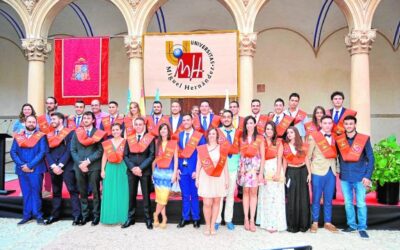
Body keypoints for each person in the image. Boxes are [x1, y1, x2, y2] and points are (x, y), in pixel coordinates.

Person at [336, 115, 374, 239]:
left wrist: (368, 176)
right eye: (346, 124)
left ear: (355, 125)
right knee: (348, 203)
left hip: (360, 177)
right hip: (345, 177)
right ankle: (352, 225)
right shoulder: (340, 140)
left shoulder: (363, 139)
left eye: (351, 124)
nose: (348, 126)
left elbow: (371, 158)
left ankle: (362, 227)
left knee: (361, 203)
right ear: (344, 125)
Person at [44, 112, 81, 226]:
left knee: (72, 191)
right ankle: (55, 215)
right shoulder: (49, 134)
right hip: (53, 167)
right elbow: (46, 151)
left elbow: (69, 150)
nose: (52, 121)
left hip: (67, 166)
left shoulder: (70, 133)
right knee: (56, 192)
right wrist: (53, 165)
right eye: (51, 119)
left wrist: (60, 165)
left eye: (54, 119)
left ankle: (77, 216)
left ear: (61, 120)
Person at [10, 115, 47, 225]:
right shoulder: (18, 137)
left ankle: (38, 215)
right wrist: (22, 165)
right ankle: (27, 215)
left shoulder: (41, 136)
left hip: (36, 169)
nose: (31, 124)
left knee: (36, 192)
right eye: (29, 122)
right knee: (26, 193)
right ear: (25, 123)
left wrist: (30, 165)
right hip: (22, 170)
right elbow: (13, 152)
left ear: (36, 124)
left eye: (33, 122)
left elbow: (42, 152)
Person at [70, 111, 105, 226]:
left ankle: (96, 216)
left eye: (88, 118)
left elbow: (100, 151)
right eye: (84, 118)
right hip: (79, 166)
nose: (85, 120)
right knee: (83, 192)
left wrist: (88, 161)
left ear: (93, 120)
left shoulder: (98, 133)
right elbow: (73, 150)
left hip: (94, 166)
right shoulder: (77, 132)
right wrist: (80, 164)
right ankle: (85, 216)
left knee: (95, 192)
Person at [123, 117, 155, 229]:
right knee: (131, 195)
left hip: (144, 171)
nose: (138, 126)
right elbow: (125, 155)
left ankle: (148, 219)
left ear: (144, 125)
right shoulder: (129, 138)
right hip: (131, 171)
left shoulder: (149, 138)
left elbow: (151, 155)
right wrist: (133, 168)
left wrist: (140, 168)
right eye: (136, 124)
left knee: (146, 196)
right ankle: (130, 218)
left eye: (140, 124)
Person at [307, 116, 338, 233]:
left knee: (329, 198)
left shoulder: (335, 137)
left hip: (331, 171)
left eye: (330, 123)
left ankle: (327, 222)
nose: (327, 125)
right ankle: (314, 222)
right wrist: (309, 172)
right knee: (316, 197)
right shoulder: (314, 136)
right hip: (317, 171)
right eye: (325, 123)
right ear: (321, 123)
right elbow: (308, 156)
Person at [196, 127, 229, 235]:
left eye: (214, 134)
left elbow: (225, 166)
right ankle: (207, 225)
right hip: (205, 178)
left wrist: (227, 179)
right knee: (207, 203)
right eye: (210, 134)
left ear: (217, 136)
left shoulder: (222, 148)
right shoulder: (202, 149)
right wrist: (197, 178)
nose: (211, 135)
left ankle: (212, 226)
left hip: (219, 177)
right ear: (207, 136)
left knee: (216, 202)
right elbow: (199, 164)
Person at [256, 121, 287, 232]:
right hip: (266, 169)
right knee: (267, 197)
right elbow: (263, 158)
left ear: (274, 131)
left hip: (277, 168)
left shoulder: (279, 142)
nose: (269, 131)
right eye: (267, 129)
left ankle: (277, 223)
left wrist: (278, 172)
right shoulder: (262, 142)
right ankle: (268, 222)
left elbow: (280, 158)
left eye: (271, 129)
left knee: (277, 197)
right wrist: (260, 174)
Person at [177, 114, 206, 229]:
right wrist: (178, 168)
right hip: (182, 170)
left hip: (194, 171)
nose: (186, 122)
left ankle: (196, 218)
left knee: (194, 195)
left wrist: (197, 171)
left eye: (188, 120)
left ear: (192, 121)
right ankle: (185, 218)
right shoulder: (179, 135)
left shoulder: (199, 136)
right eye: (183, 120)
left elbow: (202, 154)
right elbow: (177, 154)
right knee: (185, 195)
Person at [238, 116, 265, 232]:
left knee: (254, 193)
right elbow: (241, 155)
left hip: (255, 169)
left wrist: (261, 173)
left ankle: (252, 219)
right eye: (247, 123)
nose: (249, 125)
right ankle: (245, 218)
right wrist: (241, 168)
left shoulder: (260, 138)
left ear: (255, 124)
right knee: (246, 192)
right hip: (244, 169)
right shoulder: (242, 138)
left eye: (251, 123)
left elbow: (263, 157)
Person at [215, 110, 241, 231]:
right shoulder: (217, 132)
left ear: (232, 118)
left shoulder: (238, 132)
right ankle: (217, 220)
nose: (226, 119)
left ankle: (228, 219)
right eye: (224, 117)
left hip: (233, 167)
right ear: (221, 119)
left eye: (228, 117)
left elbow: (241, 150)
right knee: (220, 195)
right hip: (220, 167)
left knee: (230, 195)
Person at [283, 126, 311, 233]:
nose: (289, 134)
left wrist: (309, 173)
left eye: (291, 132)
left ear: (296, 133)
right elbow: (284, 161)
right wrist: (284, 175)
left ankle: (303, 225)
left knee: (303, 197)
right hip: (291, 172)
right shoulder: (285, 146)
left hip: (303, 171)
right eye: (288, 132)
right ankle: (292, 225)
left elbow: (306, 159)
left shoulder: (302, 145)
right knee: (292, 197)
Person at [100, 123, 129, 225]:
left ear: (121, 131)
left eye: (117, 129)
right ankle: (109, 217)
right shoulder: (107, 143)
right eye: (113, 130)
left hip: (123, 168)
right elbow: (104, 156)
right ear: (111, 131)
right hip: (110, 168)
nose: (115, 132)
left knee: (122, 191)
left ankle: (122, 217)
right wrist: (102, 170)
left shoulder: (126, 142)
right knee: (109, 191)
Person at [152, 123, 178, 229]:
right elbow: (154, 159)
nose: (163, 131)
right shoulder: (156, 143)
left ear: (168, 131)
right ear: (159, 131)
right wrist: (153, 173)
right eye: (161, 129)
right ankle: (163, 217)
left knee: (164, 196)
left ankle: (155, 214)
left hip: (168, 173)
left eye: (165, 129)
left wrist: (175, 173)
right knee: (159, 197)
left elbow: (176, 159)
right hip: (158, 172)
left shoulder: (173, 143)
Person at [169, 101, 183, 195]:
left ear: (180, 108)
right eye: (173, 106)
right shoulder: (166, 120)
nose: (174, 108)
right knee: (171, 165)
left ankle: (180, 188)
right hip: (169, 147)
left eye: (176, 106)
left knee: (180, 165)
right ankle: (172, 188)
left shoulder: (184, 120)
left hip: (181, 145)